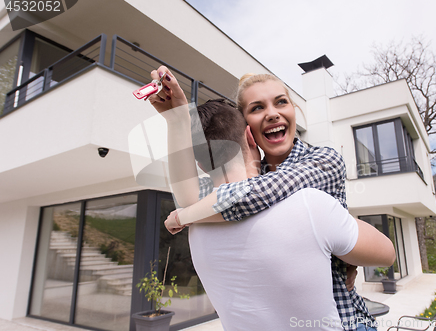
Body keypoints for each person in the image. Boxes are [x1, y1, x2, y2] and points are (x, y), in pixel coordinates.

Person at [149, 68, 378, 330]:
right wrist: (177, 118)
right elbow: (192, 196)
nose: (272, 113)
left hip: (347, 319)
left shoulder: (324, 160)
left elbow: (256, 195)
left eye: (281, 102)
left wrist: (184, 215)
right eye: (257, 108)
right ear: (247, 129)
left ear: (293, 110)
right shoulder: (240, 178)